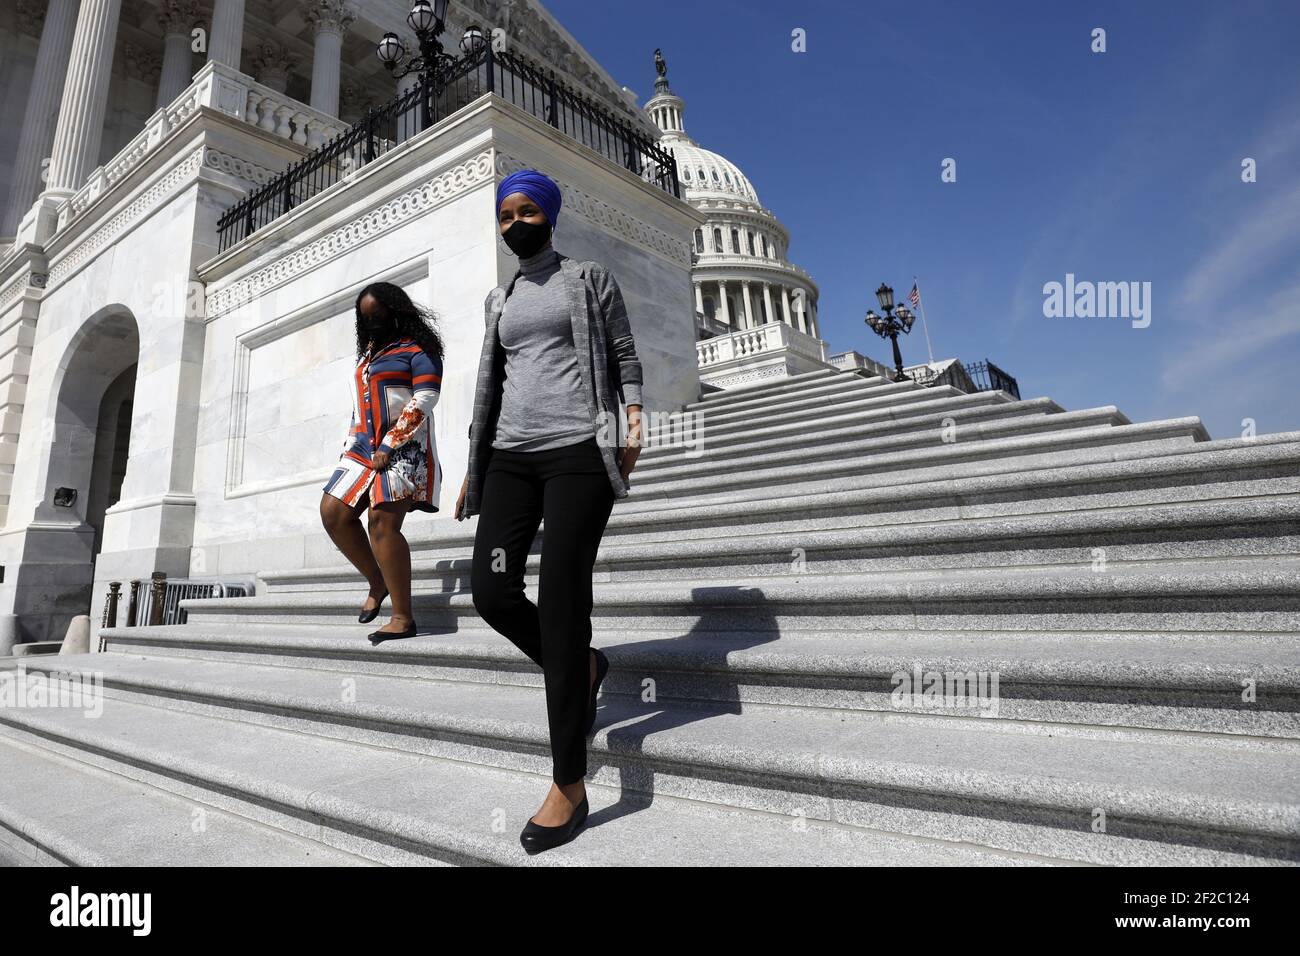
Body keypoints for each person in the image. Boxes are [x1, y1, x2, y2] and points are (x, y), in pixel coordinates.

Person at [455, 168, 644, 854]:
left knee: (563, 604)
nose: (513, 223)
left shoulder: (587, 279)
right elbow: (494, 382)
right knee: (493, 591)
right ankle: (582, 667)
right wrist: (475, 468)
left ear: (550, 215)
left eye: (525, 210)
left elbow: (624, 351)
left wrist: (634, 418)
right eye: (504, 215)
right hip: (509, 457)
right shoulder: (497, 298)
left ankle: (569, 782)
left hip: (575, 453)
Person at [320, 282, 444, 642]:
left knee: (381, 521)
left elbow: (425, 397)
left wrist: (391, 443)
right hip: (361, 445)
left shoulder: (419, 348)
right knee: (333, 513)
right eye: (365, 317)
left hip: (405, 446)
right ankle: (377, 580)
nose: (372, 322)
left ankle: (403, 617)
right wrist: (350, 441)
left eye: (378, 315)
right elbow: (361, 400)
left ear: (396, 311)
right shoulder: (370, 352)